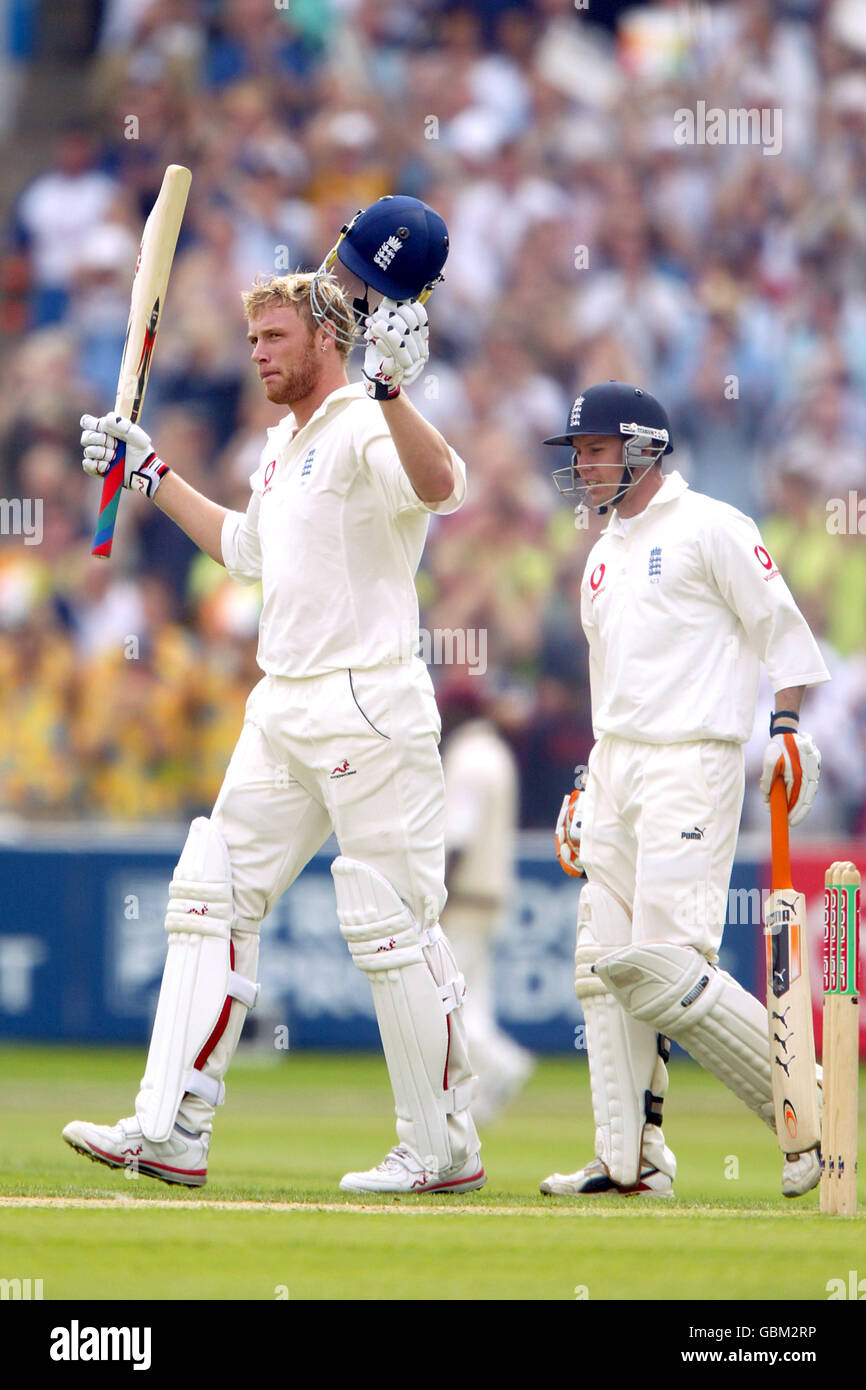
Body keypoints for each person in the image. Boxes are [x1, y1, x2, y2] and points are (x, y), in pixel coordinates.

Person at [63, 197, 486, 1197]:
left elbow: (443, 484)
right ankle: (169, 1127)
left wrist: (388, 389)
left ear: (324, 341)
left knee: (391, 924)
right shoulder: (288, 440)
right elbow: (247, 550)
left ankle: (441, 1148)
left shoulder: (357, 422)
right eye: (250, 336)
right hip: (282, 700)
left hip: (368, 703)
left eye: (271, 337)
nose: (254, 353)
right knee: (209, 892)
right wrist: (147, 469)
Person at [540, 380, 829, 1199]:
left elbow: (784, 632)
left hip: (693, 761)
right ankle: (630, 1164)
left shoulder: (713, 527)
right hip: (618, 764)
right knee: (602, 966)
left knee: (666, 964)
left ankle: (809, 1116)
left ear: (642, 448)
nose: (584, 469)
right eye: (578, 455)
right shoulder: (601, 556)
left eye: (595, 452)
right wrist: (586, 785)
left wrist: (786, 729)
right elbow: (613, 685)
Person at [438, 681, 534, 1124]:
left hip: (466, 898)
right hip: (489, 896)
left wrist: (436, 893)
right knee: (473, 1000)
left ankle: (503, 1066)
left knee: (453, 1003)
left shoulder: (468, 759)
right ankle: (480, 1093)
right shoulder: (493, 752)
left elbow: (458, 835)